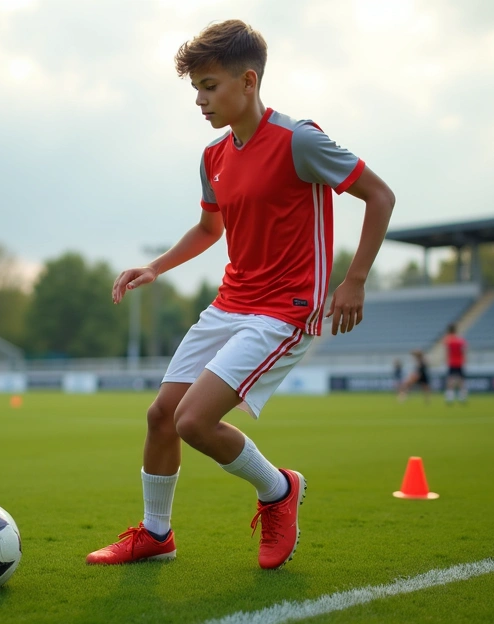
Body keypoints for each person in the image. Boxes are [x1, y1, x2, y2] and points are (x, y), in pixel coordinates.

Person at [87, 20, 396, 570]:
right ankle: (156, 535)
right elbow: (210, 230)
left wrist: (355, 279)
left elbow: (379, 195)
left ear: (248, 82)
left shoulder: (299, 140)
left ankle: (279, 491)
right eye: (196, 89)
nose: (200, 100)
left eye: (210, 86)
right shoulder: (213, 156)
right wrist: (155, 267)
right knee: (162, 415)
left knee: (192, 422)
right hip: (230, 305)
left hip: (284, 313)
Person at [443, 323, 468, 405]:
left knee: (450, 380)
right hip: (460, 362)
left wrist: (446, 360)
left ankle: (449, 398)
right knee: (461, 380)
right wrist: (465, 360)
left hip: (451, 362)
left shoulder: (448, 340)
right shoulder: (460, 340)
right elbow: (463, 351)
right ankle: (462, 398)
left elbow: (447, 352)